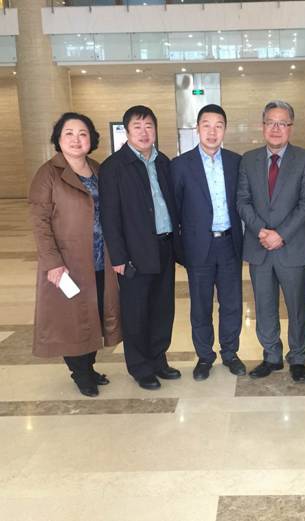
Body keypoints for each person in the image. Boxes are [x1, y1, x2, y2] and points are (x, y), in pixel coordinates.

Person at [29, 112, 121, 397]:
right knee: (72, 319)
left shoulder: (98, 169)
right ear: (58, 139)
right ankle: (80, 373)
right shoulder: (48, 174)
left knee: (94, 314)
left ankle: (89, 367)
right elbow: (40, 222)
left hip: (100, 258)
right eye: (68, 133)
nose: (76, 139)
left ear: (91, 139)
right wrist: (52, 263)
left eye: (82, 133)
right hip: (68, 262)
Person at [99, 105, 183, 390]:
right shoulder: (114, 167)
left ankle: (158, 359)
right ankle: (140, 367)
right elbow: (109, 217)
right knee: (136, 312)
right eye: (137, 126)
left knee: (162, 308)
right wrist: (119, 257)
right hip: (134, 253)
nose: (144, 132)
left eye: (149, 126)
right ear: (127, 131)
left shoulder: (163, 162)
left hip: (164, 246)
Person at [237, 100, 305, 383]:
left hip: (292, 247)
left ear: (290, 128)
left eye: (282, 123)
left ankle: (298, 358)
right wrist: (262, 231)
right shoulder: (248, 160)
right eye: (271, 122)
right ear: (262, 126)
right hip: (259, 247)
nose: (276, 128)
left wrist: (280, 234)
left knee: (296, 307)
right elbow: (242, 201)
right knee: (264, 305)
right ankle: (271, 355)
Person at [170, 104, 245, 381]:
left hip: (229, 244)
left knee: (232, 304)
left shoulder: (236, 162)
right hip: (198, 247)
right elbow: (175, 211)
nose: (212, 132)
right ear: (197, 129)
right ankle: (204, 356)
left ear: (225, 129)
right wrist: (181, 250)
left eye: (218, 126)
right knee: (201, 306)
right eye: (206, 125)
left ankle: (230, 353)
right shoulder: (180, 165)